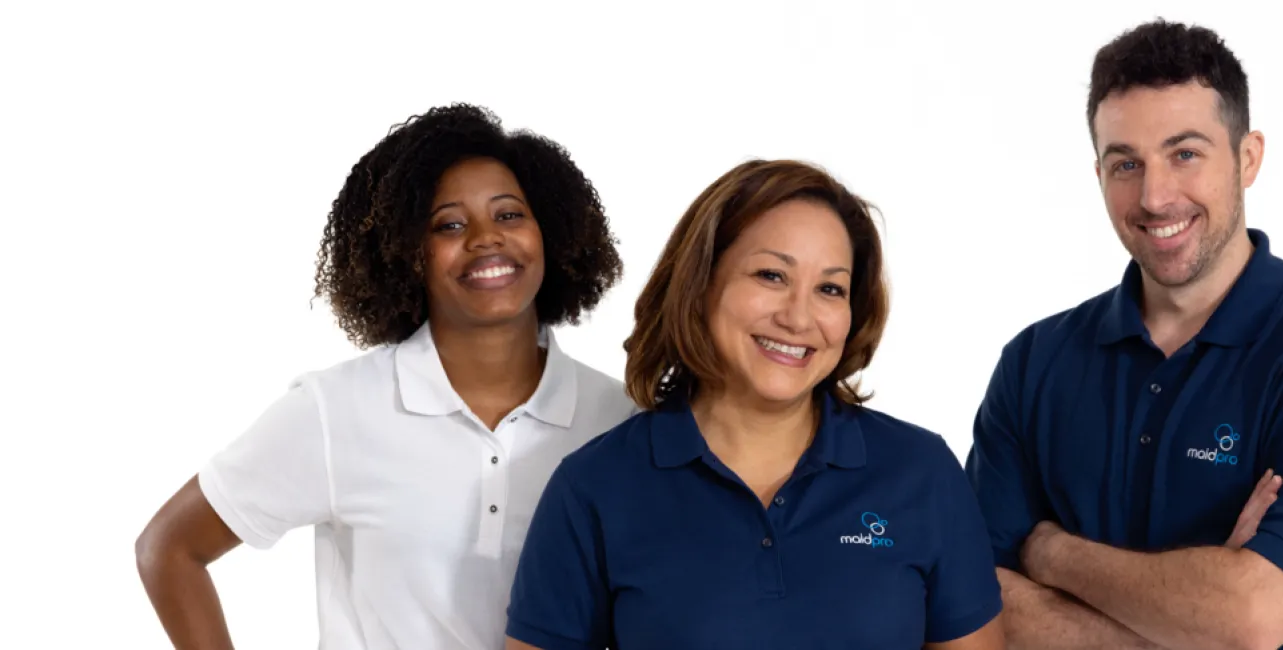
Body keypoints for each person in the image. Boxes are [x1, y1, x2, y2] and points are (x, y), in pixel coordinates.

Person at [964, 19, 1283, 650]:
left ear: (1247, 158)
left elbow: (1252, 616)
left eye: (1185, 154)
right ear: (1097, 175)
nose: (1154, 196)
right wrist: (1200, 622)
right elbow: (975, 610)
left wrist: (1051, 552)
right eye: (1125, 164)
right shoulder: (1035, 362)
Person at [133, 104, 638, 650]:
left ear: (552, 232)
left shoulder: (618, 421)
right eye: (449, 224)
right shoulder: (336, 410)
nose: (486, 238)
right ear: (407, 254)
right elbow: (169, 548)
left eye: (510, 214)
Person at [502, 159, 1006, 650]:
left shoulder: (921, 473)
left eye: (830, 288)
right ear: (700, 284)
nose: (798, 316)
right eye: (771, 276)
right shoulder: (594, 487)